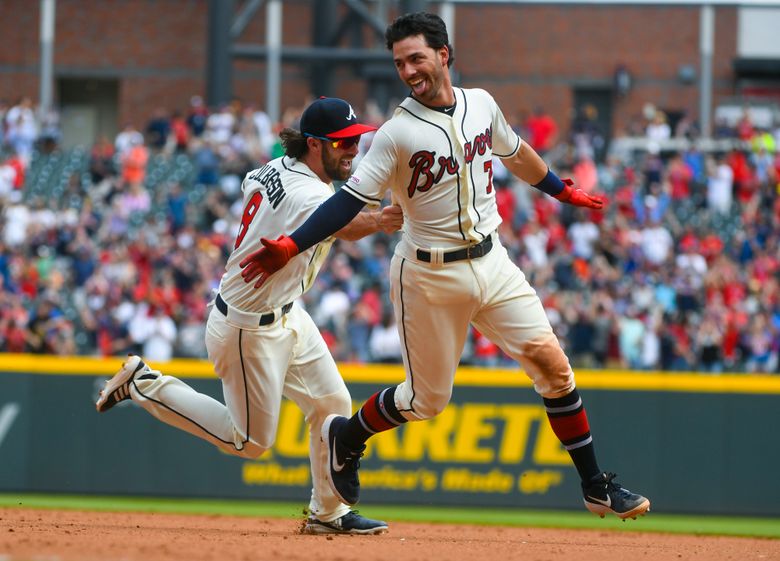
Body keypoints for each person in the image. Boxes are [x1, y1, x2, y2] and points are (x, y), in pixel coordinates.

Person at [239, 12, 651, 521]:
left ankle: (595, 485)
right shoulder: (395, 133)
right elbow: (347, 202)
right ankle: (347, 436)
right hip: (428, 275)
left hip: (492, 260)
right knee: (426, 401)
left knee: (554, 367)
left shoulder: (481, 105)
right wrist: (291, 243)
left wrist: (561, 189)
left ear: (443, 54)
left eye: (416, 57)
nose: (408, 69)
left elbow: (517, 154)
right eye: (399, 62)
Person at [95, 97, 403, 535]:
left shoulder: (274, 168)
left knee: (332, 404)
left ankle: (327, 514)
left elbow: (256, 187)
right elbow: (343, 225)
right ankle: (145, 384)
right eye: (343, 143)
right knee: (251, 442)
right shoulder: (309, 191)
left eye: (355, 139)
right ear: (314, 146)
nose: (353, 149)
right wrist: (381, 219)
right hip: (247, 325)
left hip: (287, 313)